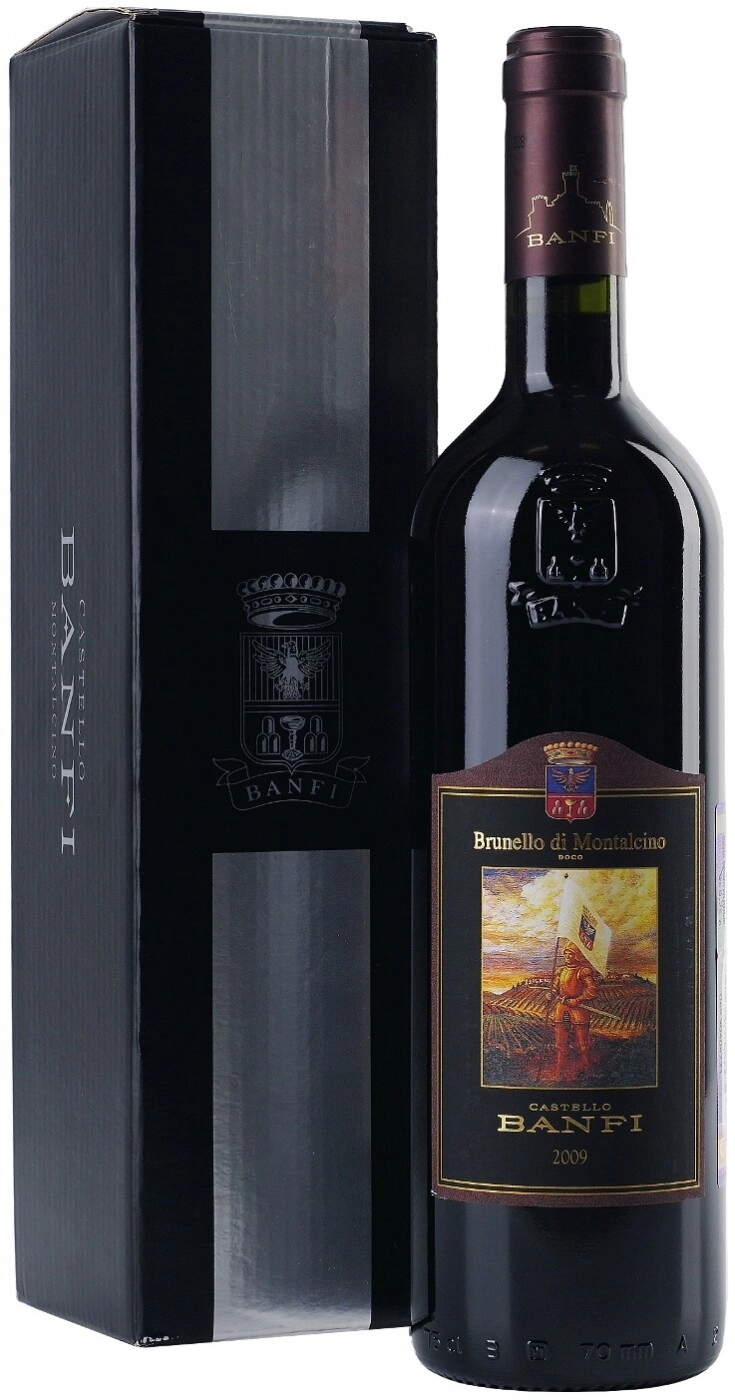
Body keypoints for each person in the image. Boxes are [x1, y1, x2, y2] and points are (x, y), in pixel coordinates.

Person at [549, 941, 599, 1079]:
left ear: (577, 955)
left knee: (583, 1044)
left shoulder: (583, 971)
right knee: (560, 1044)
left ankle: (588, 1071)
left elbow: (592, 990)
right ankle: (559, 1072)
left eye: (570, 954)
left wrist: (578, 1000)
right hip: (561, 1007)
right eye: (565, 954)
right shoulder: (561, 971)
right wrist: (551, 994)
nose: (567, 956)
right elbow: (555, 988)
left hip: (578, 1009)